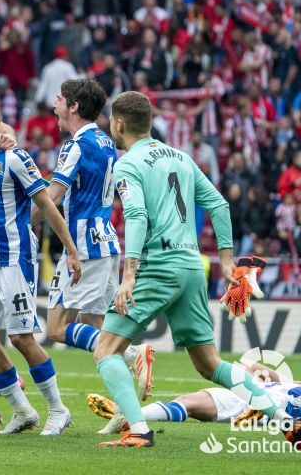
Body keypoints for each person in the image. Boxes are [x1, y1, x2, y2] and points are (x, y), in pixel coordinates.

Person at [93, 91, 289, 448]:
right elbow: (219, 204)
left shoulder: (128, 163)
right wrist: (227, 262)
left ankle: (139, 430)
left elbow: (135, 215)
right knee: (210, 364)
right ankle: (284, 420)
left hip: (159, 266)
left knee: (106, 349)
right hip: (192, 267)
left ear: (118, 123)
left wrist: (129, 275)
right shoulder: (182, 157)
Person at [0, 96, 79, 435]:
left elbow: (46, 203)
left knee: (20, 338)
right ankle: (23, 411)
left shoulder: (15, 158)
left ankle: (58, 410)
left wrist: (71, 249)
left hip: (15, 259)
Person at [43, 80, 154, 403]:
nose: (54, 105)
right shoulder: (106, 141)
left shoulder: (75, 145)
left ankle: (133, 353)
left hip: (83, 247)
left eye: (59, 99)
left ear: (73, 106)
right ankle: (124, 406)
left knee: (56, 328)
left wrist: (17, 216)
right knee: (97, 331)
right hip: (105, 242)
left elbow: (51, 198)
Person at [88, 363, 301, 435]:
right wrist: (297, 382)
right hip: (253, 391)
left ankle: (130, 415)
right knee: (188, 400)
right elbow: (252, 366)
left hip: (266, 404)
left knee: (191, 404)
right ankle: (129, 417)